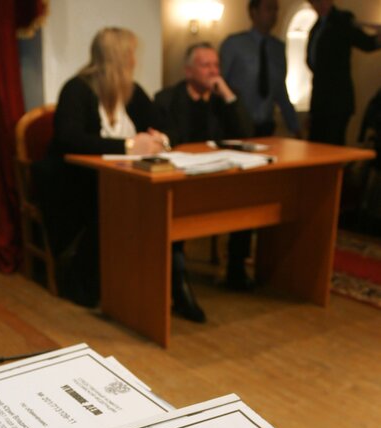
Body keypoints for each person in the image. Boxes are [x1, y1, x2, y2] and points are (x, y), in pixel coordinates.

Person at [36, 27, 167, 308]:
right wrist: (129, 146)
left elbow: (162, 124)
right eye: (131, 54)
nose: (134, 61)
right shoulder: (76, 89)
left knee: (155, 200)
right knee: (118, 202)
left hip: (117, 177)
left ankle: (150, 278)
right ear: (119, 57)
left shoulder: (131, 91)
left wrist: (160, 139)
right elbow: (70, 139)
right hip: (72, 181)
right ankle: (87, 280)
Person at [154, 42, 255, 311]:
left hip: (219, 176)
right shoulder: (167, 100)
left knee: (248, 198)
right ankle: (178, 282)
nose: (213, 71)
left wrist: (229, 96)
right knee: (175, 211)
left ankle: (236, 269)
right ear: (188, 71)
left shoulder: (224, 98)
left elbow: (246, 133)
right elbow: (169, 140)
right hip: (182, 178)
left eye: (216, 65)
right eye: (205, 65)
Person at [220, 0, 300, 137]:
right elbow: (220, 83)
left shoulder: (278, 48)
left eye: (275, 10)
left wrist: (295, 127)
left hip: (266, 127)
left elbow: (280, 91)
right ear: (254, 12)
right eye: (268, 9)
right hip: (236, 127)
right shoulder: (234, 44)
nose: (273, 14)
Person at [307, 0, 381, 146]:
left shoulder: (342, 20)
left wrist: (378, 39)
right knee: (316, 146)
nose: (320, 5)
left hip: (337, 101)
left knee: (332, 145)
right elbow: (315, 65)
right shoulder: (316, 27)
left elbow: (365, 43)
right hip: (320, 102)